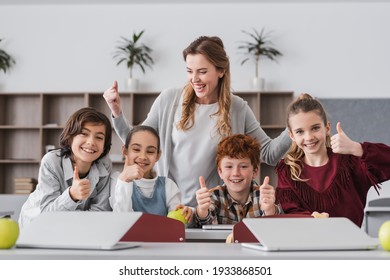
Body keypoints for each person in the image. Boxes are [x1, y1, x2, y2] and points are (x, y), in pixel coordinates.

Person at [103, 36, 291, 207]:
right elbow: (137, 141)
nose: (195, 79)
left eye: (202, 71)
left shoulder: (238, 108)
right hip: (169, 206)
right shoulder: (169, 99)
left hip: (212, 209)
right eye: (189, 71)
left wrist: (295, 126)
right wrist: (117, 111)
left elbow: (269, 153)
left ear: (221, 71)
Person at [275, 93, 390, 226]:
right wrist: (311, 218)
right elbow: (290, 211)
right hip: (306, 244)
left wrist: (357, 148)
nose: (309, 137)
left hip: (350, 243)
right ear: (292, 135)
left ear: (327, 128)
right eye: (300, 132)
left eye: (315, 128)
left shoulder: (352, 163)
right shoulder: (288, 170)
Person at [19, 107, 113, 229]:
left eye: (99, 137)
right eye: (84, 134)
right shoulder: (52, 161)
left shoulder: (104, 165)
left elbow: (101, 212)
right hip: (35, 228)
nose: (91, 142)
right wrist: (71, 195)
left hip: (73, 230)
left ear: (104, 147)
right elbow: (47, 215)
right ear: (70, 138)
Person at [192, 134, 282, 227]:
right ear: (220, 172)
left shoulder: (265, 196)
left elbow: (275, 229)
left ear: (255, 171)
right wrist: (202, 211)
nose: (235, 173)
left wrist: (269, 210)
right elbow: (205, 229)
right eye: (229, 166)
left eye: (243, 166)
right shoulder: (213, 197)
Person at [110, 125, 192, 222]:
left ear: (158, 156)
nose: (143, 156)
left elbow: (176, 224)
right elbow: (121, 222)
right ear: (125, 151)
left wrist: (187, 214)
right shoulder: (117, 180)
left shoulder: (168, 186)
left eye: (150, 151)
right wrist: (125, 180)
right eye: (136, 149)